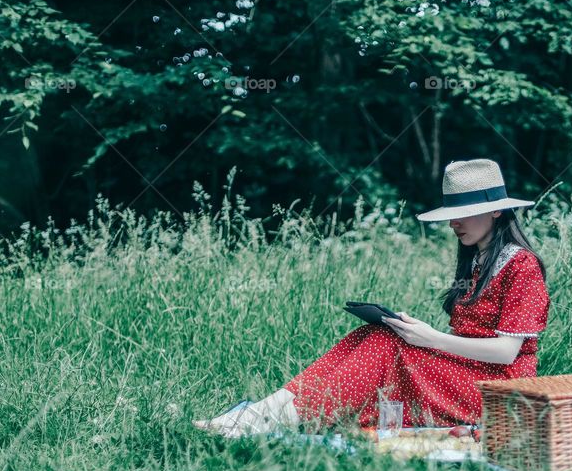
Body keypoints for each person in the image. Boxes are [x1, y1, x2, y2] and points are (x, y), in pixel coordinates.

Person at [192, 158, 550, 438]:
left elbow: (507, 352)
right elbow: (470, 341)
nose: (454, 224)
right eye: (450, 215)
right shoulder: (477, 261)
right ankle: (261, 412)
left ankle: (272, 420)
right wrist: (422, 333)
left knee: (384, 344)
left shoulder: (522, 265)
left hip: (499, 391)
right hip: (468, 373)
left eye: (462, 215)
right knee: (374, 334)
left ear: (497, 210)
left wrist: (431, 338)